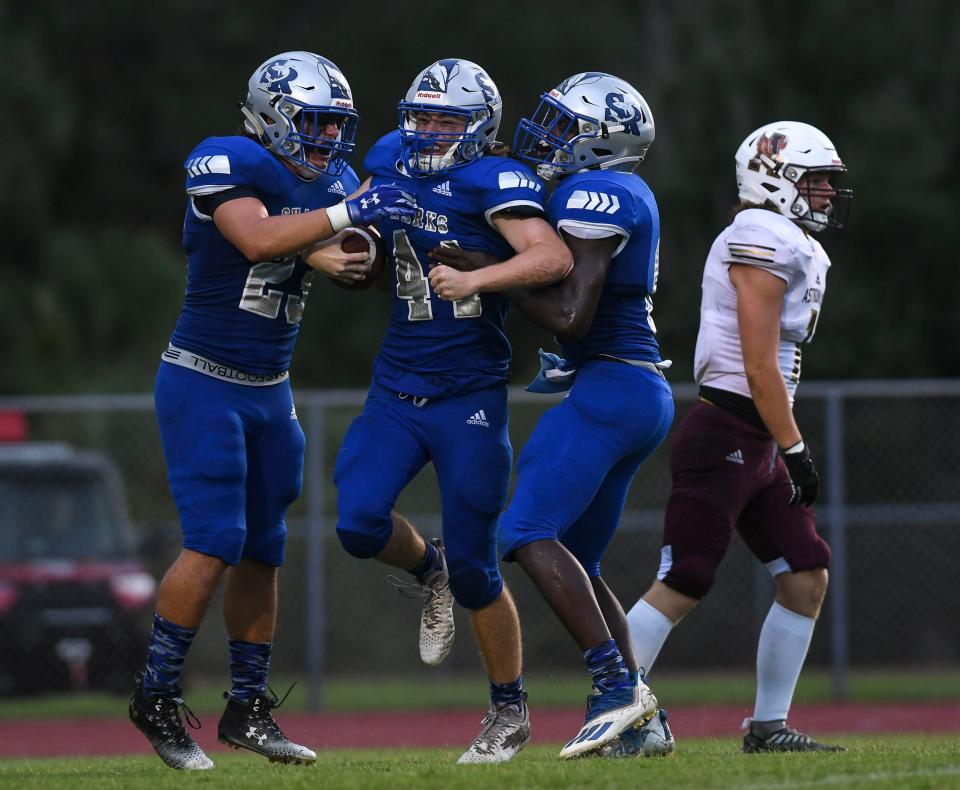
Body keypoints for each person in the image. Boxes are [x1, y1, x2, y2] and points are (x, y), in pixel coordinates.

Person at [129, 51, 416, 771]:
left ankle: (247, 708)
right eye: (312, 124)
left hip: (271, 387)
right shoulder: (225, 157)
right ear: (268, 113)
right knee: (215, 539)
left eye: (333, 127)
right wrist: (346, 215)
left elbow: (340, 246)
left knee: (264, 547)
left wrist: (355, 249)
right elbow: (256, 235)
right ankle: (156, 694)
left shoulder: (334, 180)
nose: (324, 141)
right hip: (204, 380)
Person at [333, 58, 573, 764]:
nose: (429, 130)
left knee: (478, 570)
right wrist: (358, 249)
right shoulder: (387, 156)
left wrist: (477, 275)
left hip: (468, 395)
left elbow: (551, 255)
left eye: (446, 119)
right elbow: (370, 221)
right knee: (357, 521)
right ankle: (423, 566)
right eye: (423, 116)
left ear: (480, 127)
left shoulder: (494, 180)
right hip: (396, 388)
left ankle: (509, 711)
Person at [431, 72, 674, 760]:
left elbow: (571, 315)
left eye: (568, 126)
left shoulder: (601, 194)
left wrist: (486, 273)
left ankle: (613, 691)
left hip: (612, 388)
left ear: (604, 143)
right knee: (583, 559)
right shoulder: (615, 193)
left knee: (525, 529)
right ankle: (643, 714)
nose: (550, 136)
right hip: (633, 390)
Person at [624, 120, 853, 753]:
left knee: (806, 574)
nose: (827, 194)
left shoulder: (785, 236)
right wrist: (797, 447)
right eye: (815, 182)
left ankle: (768, 726)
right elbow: (757, 365)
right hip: (728, 425)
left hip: (755, 440)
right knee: (687, 577)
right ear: (774, 179)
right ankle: (610, 708)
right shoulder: (758, 234)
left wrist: (782, 447)